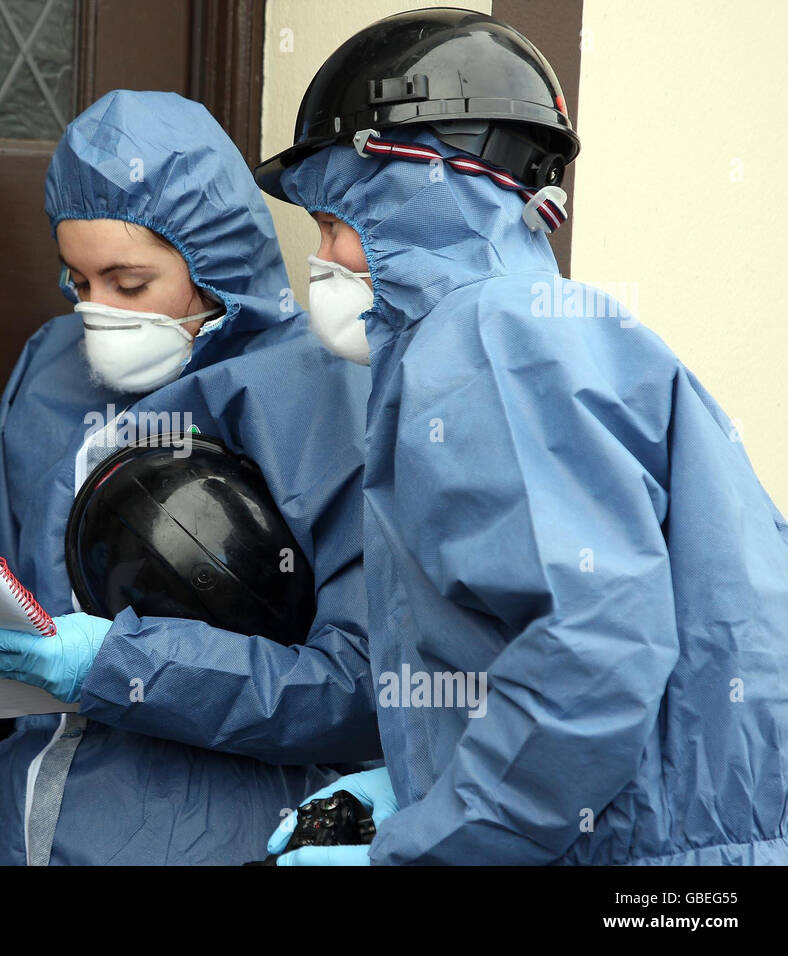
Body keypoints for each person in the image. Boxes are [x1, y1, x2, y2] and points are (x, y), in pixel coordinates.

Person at [255, 7, 788, 865]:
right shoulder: (542, 325)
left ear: (413, 182)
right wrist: (421, 779)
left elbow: (591, 651)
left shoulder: (487, 341)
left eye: (331, 223)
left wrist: (425, 846)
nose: (321, 258)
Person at [0, 89, 381, 865]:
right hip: (8, 826)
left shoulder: (315, 388)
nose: (99, 311)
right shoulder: (51, 366)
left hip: (212, 834)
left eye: (130, 283)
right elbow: (17, 616)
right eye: (78, 282)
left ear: (211, 258)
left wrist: (115, 664)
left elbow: (356, 686)